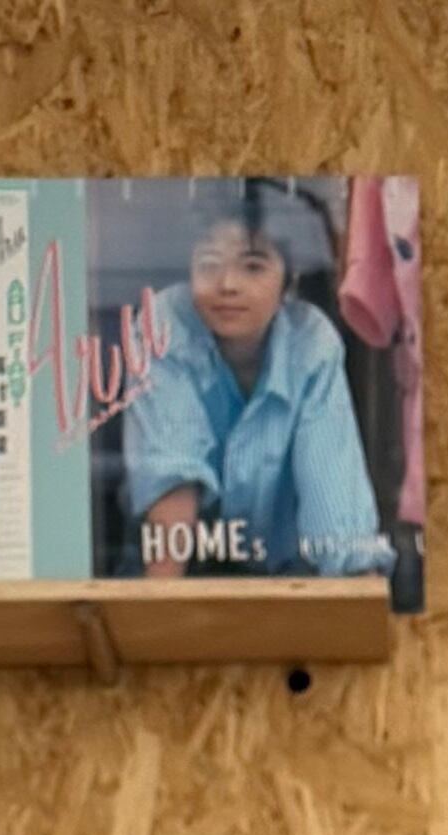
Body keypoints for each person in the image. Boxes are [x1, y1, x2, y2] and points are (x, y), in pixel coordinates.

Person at [120, 183, 389, 578]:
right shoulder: (162, 324)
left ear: (289, 280)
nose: (228, 284)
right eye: (209, 263)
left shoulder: (310, 343)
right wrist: (162, 606)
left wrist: (357, 593)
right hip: (183, 574)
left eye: (253, 266)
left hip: (287, 579)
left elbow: (335, 506)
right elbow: (172, 477)